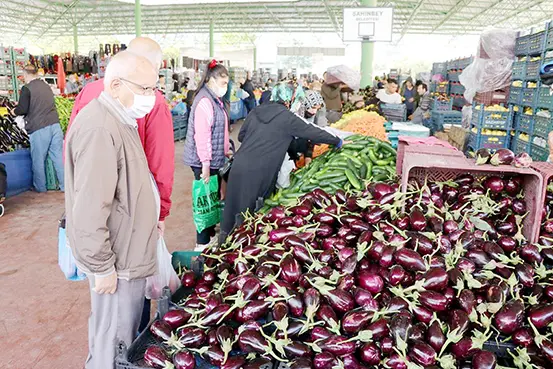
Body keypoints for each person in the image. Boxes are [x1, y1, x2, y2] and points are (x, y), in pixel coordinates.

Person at [65, 51, 160, 369]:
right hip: (116, 264)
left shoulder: (120, 120)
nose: (151, 97)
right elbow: (91, 207)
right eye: (145, 89)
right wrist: (102, 266)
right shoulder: (100, 129)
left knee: (122, 336)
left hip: (127, 254)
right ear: (116, 84)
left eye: (154, 88)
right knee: (113, 345)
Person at [68, 37, 174, 236]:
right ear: (155, 65)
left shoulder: (89, 91)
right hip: (130, 208)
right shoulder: (155, 102)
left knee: (94, 249)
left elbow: (70, 146)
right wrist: (161, 212)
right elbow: (161, 163)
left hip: (88, 203)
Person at [220, 82, 343, 240]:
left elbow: (241, 136)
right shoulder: (287, 117)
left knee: (232, 210)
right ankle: (238, 250)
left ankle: (222, 247)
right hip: (261, 171)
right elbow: (313, 131)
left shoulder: (256, 110)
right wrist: (337, 141)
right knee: (250, 217)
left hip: (239, 165)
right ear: (289, 100)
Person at [183, 60, 230, 251]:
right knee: (204, 201)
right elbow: (202, 136)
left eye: (227, 83)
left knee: (211, 199)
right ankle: (201, 243)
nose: (225, 88)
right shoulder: (204, 101)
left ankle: (209, 236)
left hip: (213, 159)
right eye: (222, 83)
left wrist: (226, 149)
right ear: (210, 80)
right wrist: (204, 165)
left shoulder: (215, 99)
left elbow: (221, 130)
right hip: (203, 160)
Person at [13, 65, 64, 193]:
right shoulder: (46, 86)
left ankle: (40, 189)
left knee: (38, 160)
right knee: (58, 158)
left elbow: (22, 109)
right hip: (55, 125)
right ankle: (65, 186)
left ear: (25, 74)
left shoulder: (27, 89)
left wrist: (14, 111)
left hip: (40, 127)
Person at [288, 89, 327, 166]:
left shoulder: (313, 117)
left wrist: (308, 156)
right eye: (313, 107)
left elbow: (311, 136)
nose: (314, 112)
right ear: (306, 103)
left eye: (317, 109)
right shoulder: (293, 114)